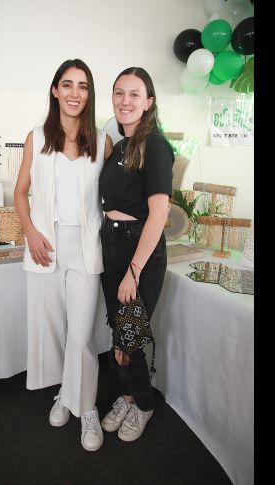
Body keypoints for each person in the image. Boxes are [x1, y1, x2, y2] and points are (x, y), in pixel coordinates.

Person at [14, 59, 113, 452]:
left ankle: (85, 406)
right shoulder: (36, 137)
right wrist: (31, 233)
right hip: (46, 247)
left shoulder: (102, 142)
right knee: (53, 329)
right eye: (67, 85)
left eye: (83, 86)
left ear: (89, 95)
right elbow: (21, 193)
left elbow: (119, 192)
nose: (75, 93)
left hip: (87, 247)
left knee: (83, 334)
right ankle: (65, 393)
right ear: (55, 90)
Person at [98, 67, 174, 442]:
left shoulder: (155, 145)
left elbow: (159, 213)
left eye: (134, 94)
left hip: (136, 249)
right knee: (118, 334)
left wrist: (134, 271)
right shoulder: (121, 146)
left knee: (128, 337)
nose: (124, 101)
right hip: (110, 245)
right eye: (118, 93)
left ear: (148, 102)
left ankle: (143, 404)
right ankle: (127, 396)